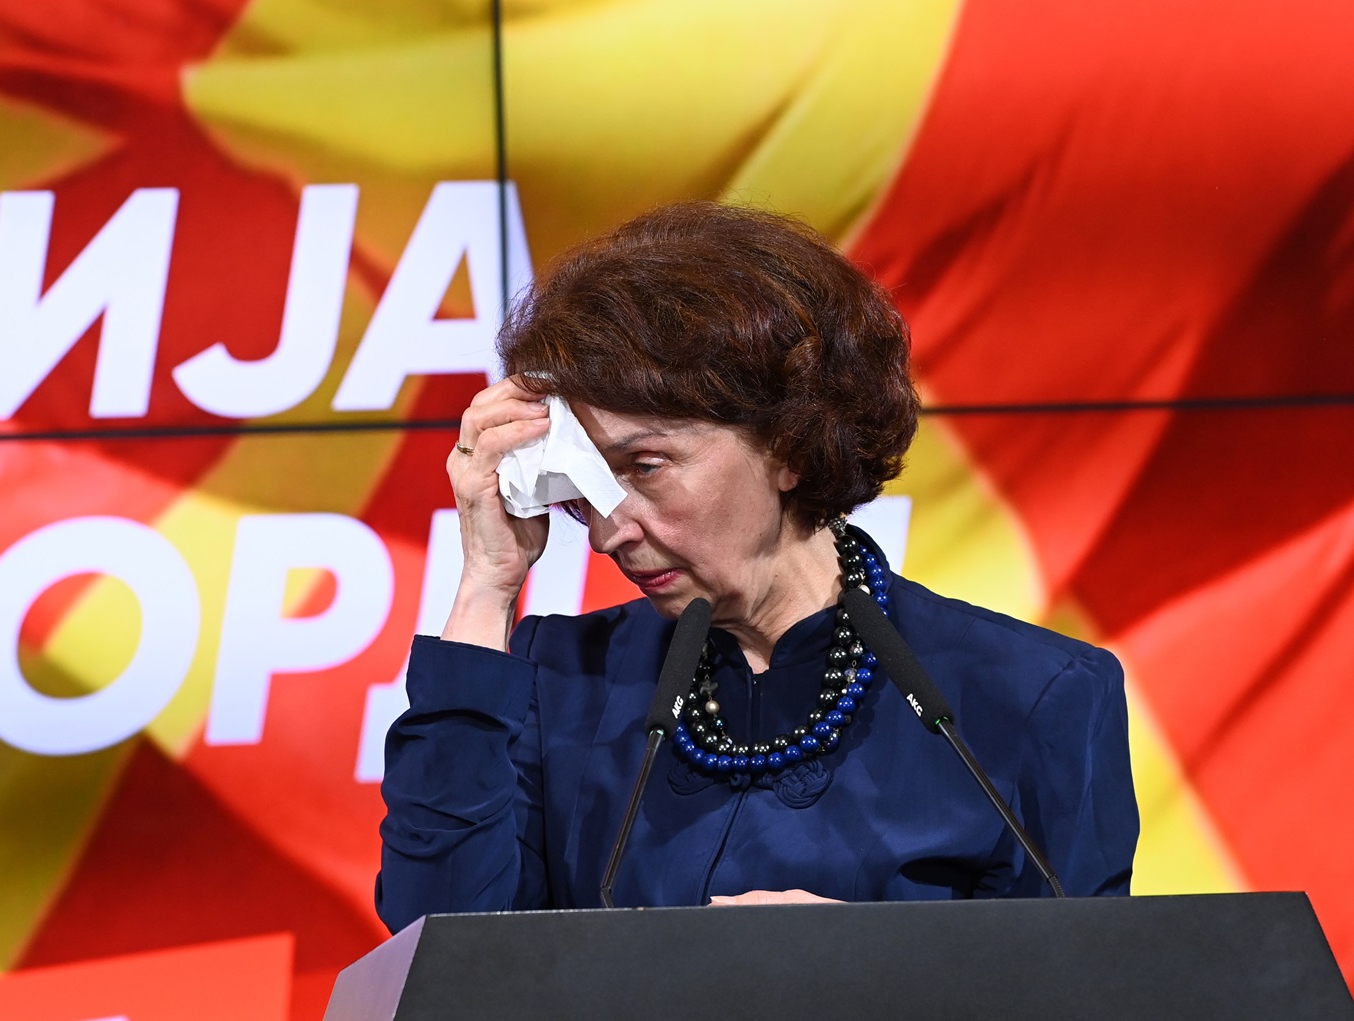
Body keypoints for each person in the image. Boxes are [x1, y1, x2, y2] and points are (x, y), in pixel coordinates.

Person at [375, 202, 1137, 933]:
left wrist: (876, 972)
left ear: (790, 446)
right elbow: (436, 943)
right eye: (586, 485)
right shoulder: (558, 681)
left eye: (644, 465)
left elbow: (1088, 992)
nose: (607, 532)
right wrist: (487, 583)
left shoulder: (1036, 697)